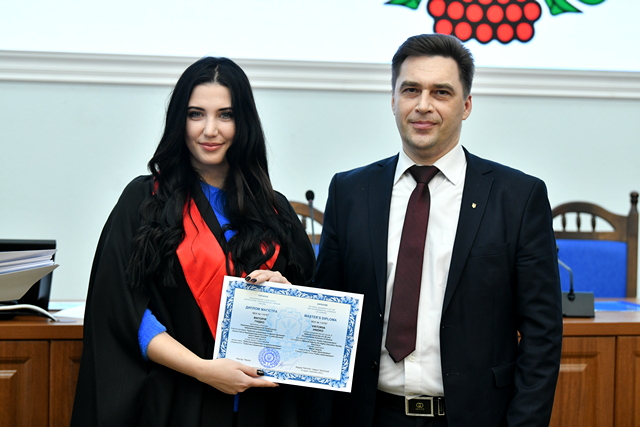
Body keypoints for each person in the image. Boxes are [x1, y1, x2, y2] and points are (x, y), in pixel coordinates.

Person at [313, 34, 563, 426]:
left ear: (466, 105)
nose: (423, 105)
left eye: (441, 92)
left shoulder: (518, 197)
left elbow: (542, 333)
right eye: (411, 90)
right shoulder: (349, 192)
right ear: (393, 100)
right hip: (370, 416)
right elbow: (327, 310)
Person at [71, 57, 316, 426]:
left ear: (243, 122)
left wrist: (287, 293)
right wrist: (203, 369)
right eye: (196, 114)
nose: (210, 130)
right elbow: (122, 312)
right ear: (179, 121)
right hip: (179, 401)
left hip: (263, 407)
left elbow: (310, 325)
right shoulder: (146, 201)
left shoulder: (275, 210)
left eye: (225, 115)